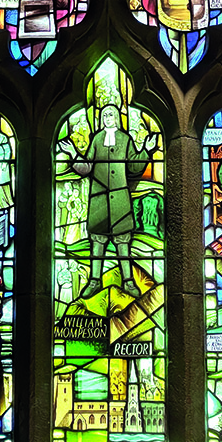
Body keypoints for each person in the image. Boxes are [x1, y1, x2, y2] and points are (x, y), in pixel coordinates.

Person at [59, 105, 157, 299]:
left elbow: (135, 166)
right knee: (97, 243)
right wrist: (73, 153)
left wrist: (147, 149)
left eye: (111, 114)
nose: (108, 117)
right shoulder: (96, 139)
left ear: (117, 118)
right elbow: (86, 168)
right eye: (105, 115)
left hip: (120, 200)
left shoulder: (124, 139)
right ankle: (94, 281)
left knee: (123, 244)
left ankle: (128, 281)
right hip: (99, 201)